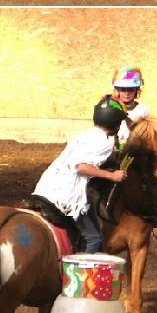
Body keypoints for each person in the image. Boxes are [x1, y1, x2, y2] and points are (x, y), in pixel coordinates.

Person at [33, 95, 128, 253]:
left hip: (45, 187)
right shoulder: (104, 142)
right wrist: (111, 176)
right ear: (116, 123)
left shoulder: (82, 134)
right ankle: (81, 277)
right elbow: (81, 167)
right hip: (66, 196)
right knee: (94, 239)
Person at [112, 66, 149, 145]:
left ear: (136, 90)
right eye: (123, 89)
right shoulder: (110, 108)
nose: (127, 93)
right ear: (118, 90)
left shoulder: (143, 110)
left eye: (130, 89)